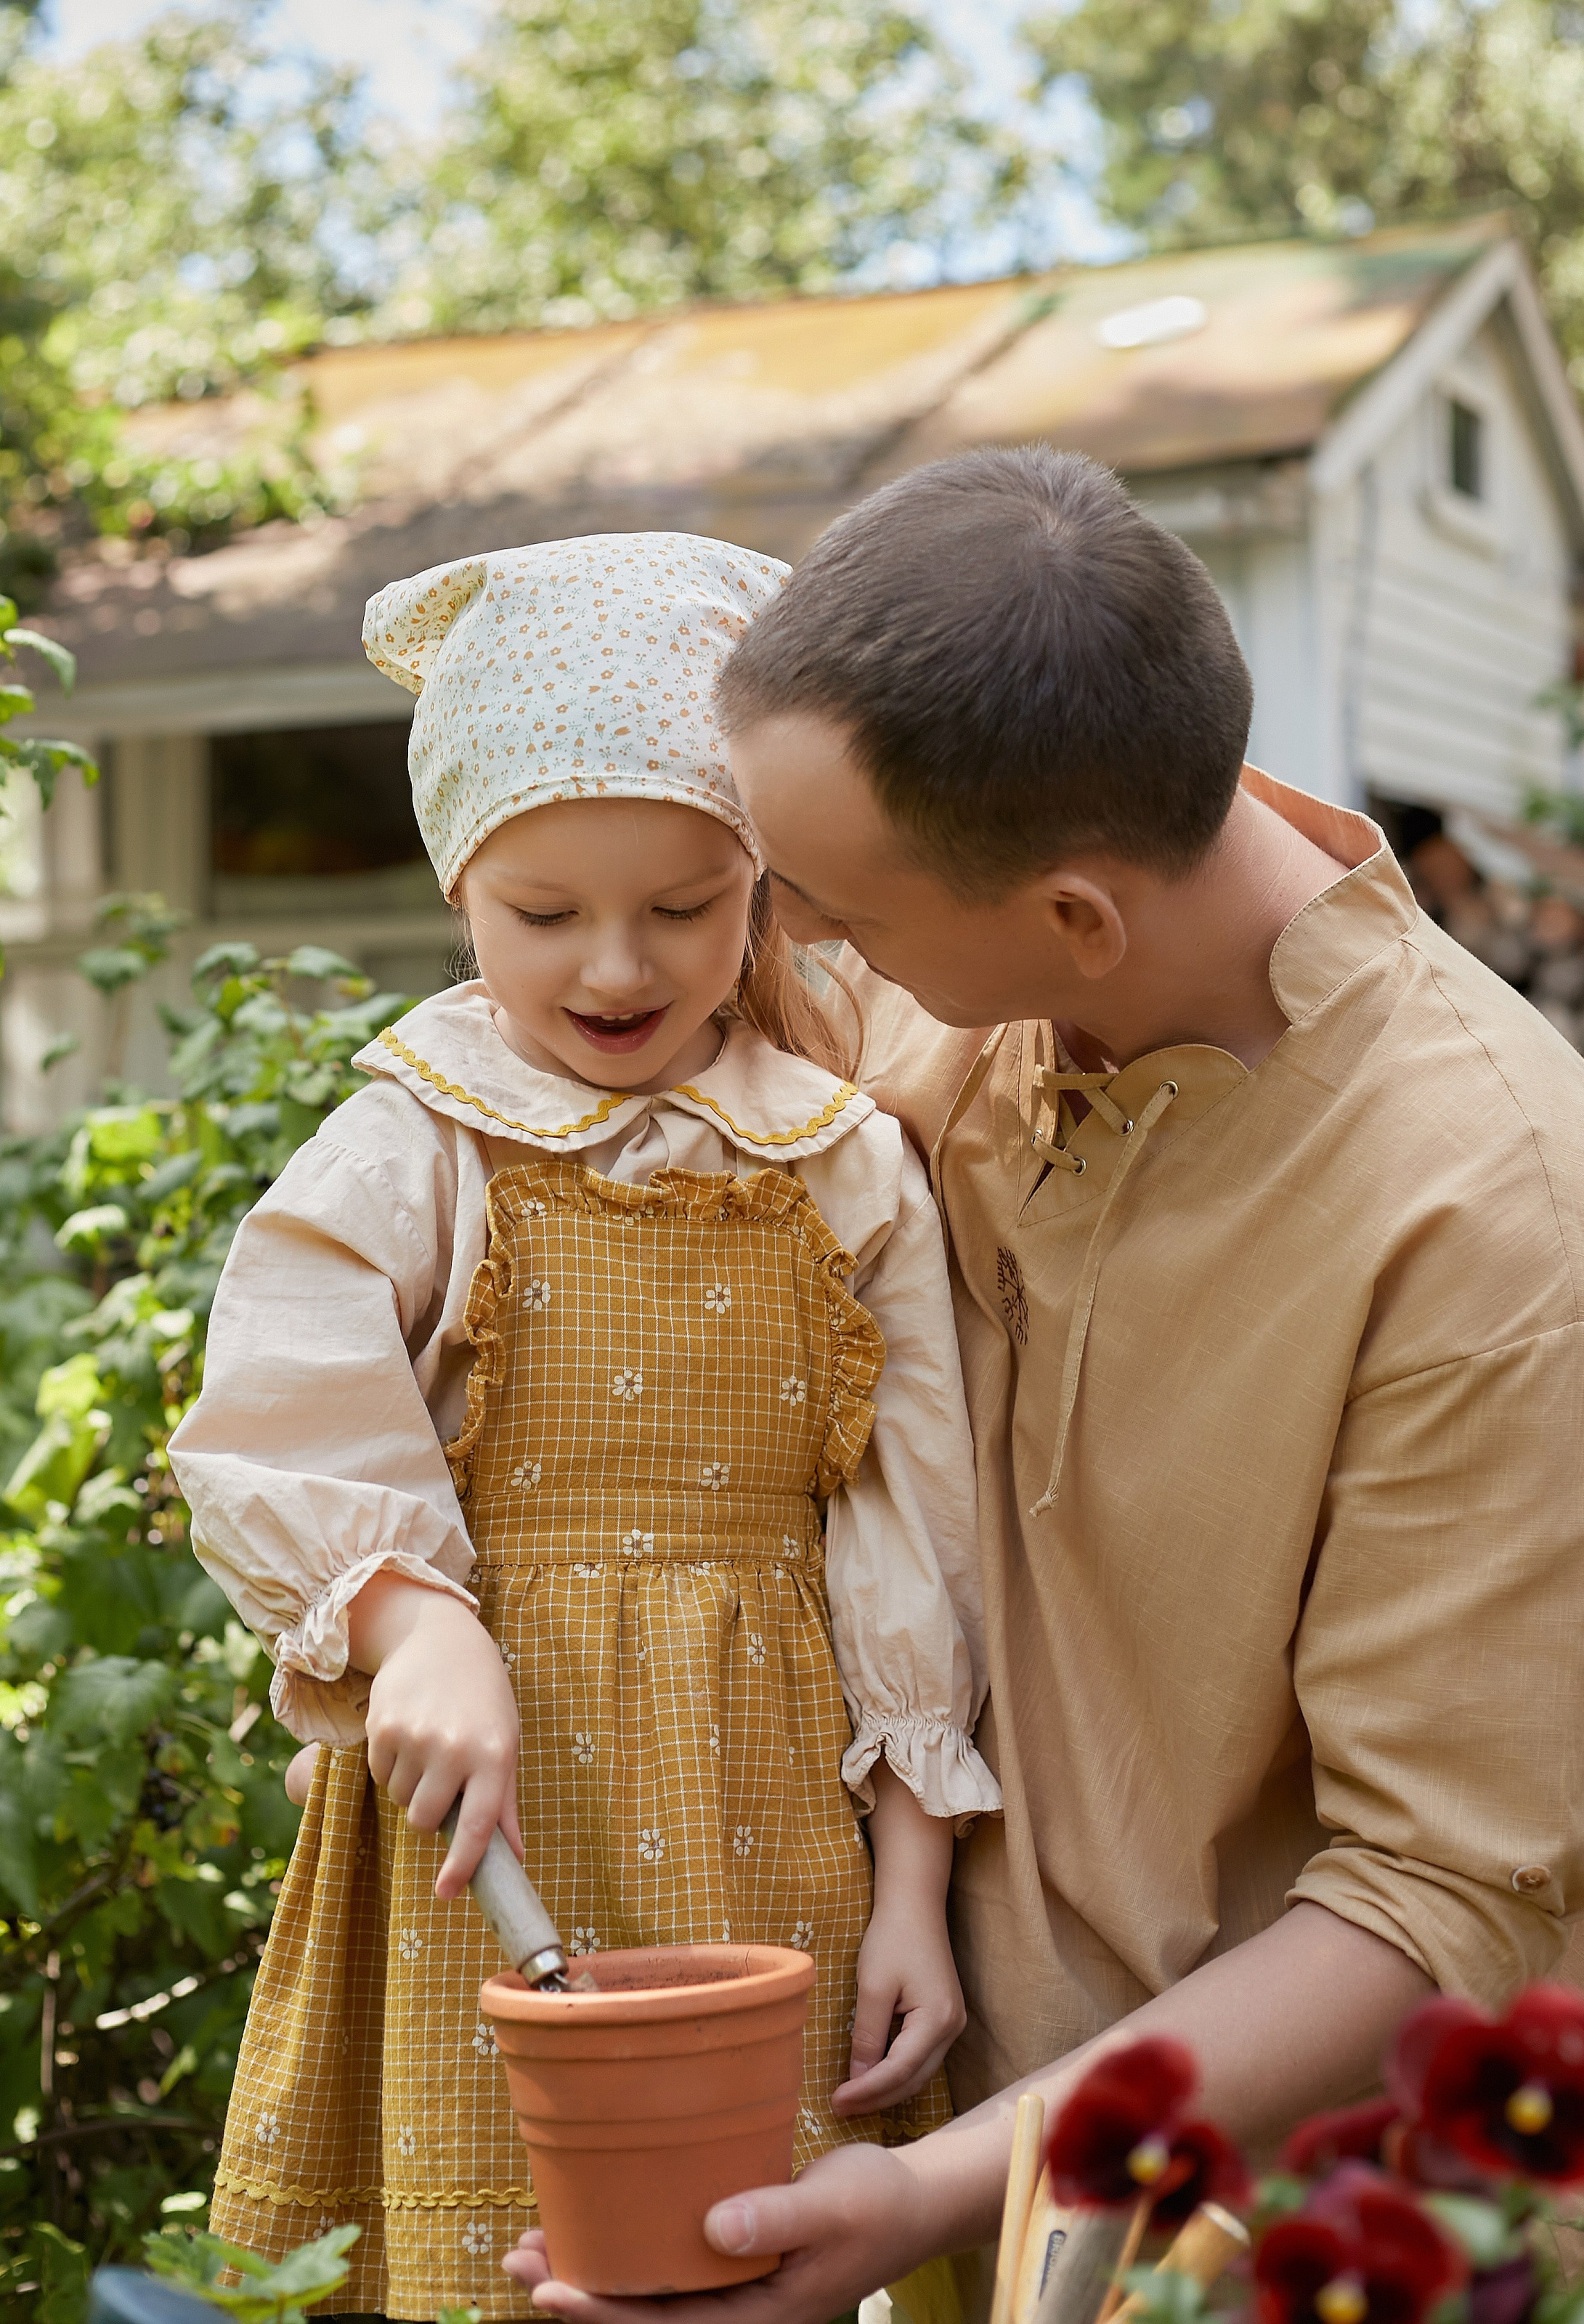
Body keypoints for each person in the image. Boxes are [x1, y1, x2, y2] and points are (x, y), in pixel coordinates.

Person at [504, 447, 1584, 2323]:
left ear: (1074, 923)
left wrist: (924, 2194)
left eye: (834, 917)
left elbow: (1424, 1906)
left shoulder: (1501, 1223)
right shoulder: (984, 1010)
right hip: (986, 2209)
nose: (794, 959)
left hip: (1332, 2251)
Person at [167, 532, 1002, 2320]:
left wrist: (917, 1884)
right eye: (543, 912)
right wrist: (415, 1621)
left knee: (758, 2247)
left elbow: (911, 1527)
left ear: (762, 884)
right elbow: (276, 1403)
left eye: (687, 904)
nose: (615, 966)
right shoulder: (418, 1139)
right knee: (488, 2253)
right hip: (493, 1828)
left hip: (771, 1807)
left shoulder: (838, 1160)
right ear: (460, 887)